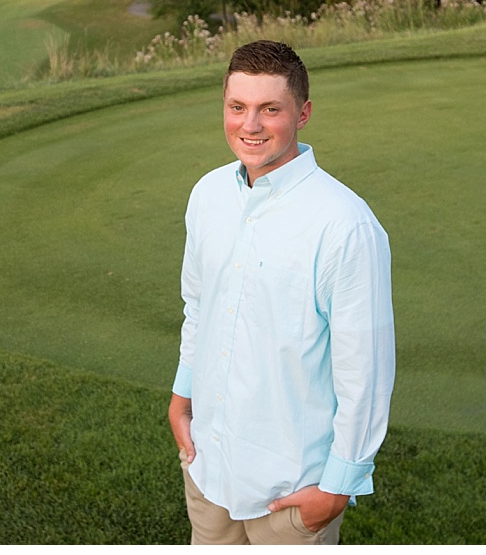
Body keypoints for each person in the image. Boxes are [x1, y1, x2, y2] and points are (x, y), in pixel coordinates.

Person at [168, 40, 396, 545]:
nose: (250, 125)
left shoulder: (345, 225)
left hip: (292, 490)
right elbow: (199, 305)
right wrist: (182, 395)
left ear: (303, 113)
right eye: (238, 107)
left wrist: (337, 487)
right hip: (208, 468)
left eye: (270, 109)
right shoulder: (207, 195)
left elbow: (366, 369)